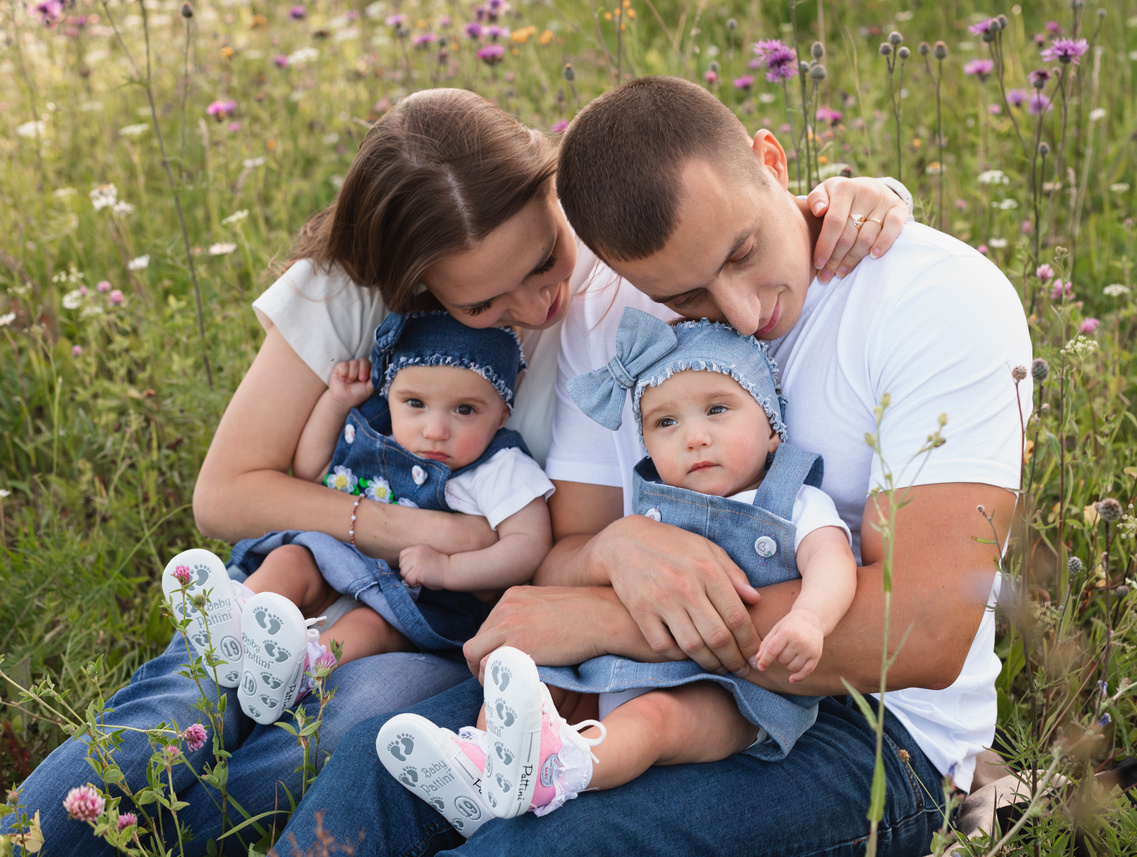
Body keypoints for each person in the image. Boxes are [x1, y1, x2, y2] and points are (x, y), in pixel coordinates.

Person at [1, 85, 906, 857]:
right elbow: (226, 492)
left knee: (338, 738)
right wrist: (421, 530)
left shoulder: (611, 263)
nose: (538, 302)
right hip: (312, 571)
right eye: (484, 301)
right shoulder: (357, 278)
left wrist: (861, 194)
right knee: (167, 720)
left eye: (541, 259)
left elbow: (726, 203)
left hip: (448, 623)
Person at [272, 77, 1031, 857]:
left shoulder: (935, 299)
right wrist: (609, 557)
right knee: (377, 764)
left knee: (550, 845)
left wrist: (613, 620)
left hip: (871, 728)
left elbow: (925, 629)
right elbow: (569, 555)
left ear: (771, 162)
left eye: (742, 251)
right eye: (686, 295)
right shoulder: (606, 316)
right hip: (628, 683)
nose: (739, 311)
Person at [378, 311, 856, 833]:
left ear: (771, 430)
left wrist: (810, 618)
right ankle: (487, 767)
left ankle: (563, 769)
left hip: (734, 694)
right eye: (665, 423)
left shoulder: (793, 502)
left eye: (717, 410)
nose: (693, 437)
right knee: (529, 673)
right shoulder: (650, 513)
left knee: (654, 721)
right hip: (627, 664)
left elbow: (831, 560)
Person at [161, 311, 553, 725]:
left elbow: (529, 544)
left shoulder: (500, 467)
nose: (435, 429)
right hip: (336, 559)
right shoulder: (377, 428)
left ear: (502, 412)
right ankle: (233, 619)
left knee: (371, 627)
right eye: (415, 404)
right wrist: (336, 403)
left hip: (414, 600)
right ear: (391, 394)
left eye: (466, 410)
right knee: (292, 559)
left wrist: (450, 568)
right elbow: (314, 472)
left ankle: (304, 668)